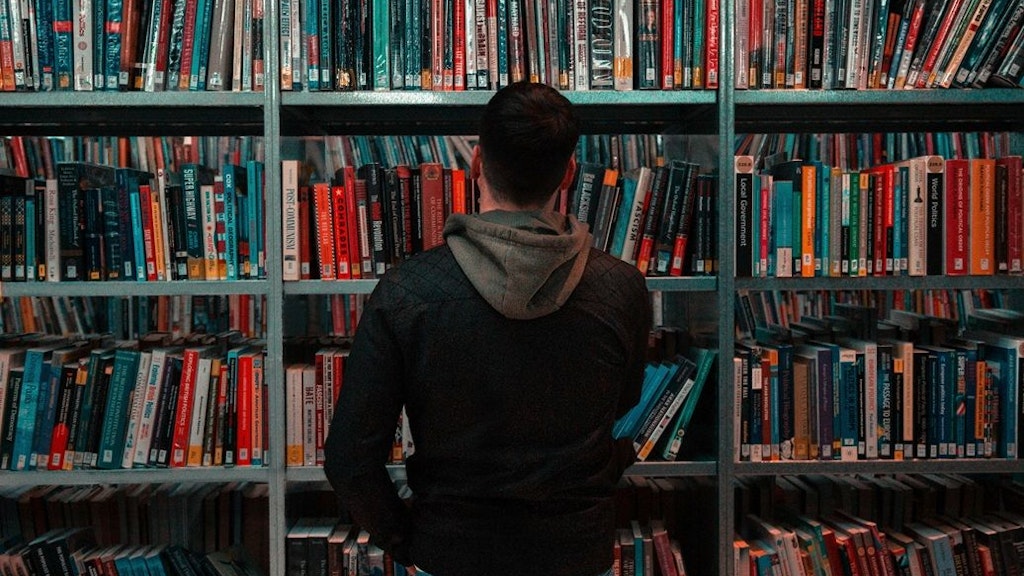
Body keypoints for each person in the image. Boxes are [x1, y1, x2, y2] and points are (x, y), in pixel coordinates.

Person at [323, 81, 651, 576]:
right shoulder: (621, 288)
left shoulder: (407, 291)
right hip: (575, 551)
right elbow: (622, 404)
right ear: (569, 173)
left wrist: (409, 539)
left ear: (476, 164)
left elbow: (350, 458)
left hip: (451, 548)